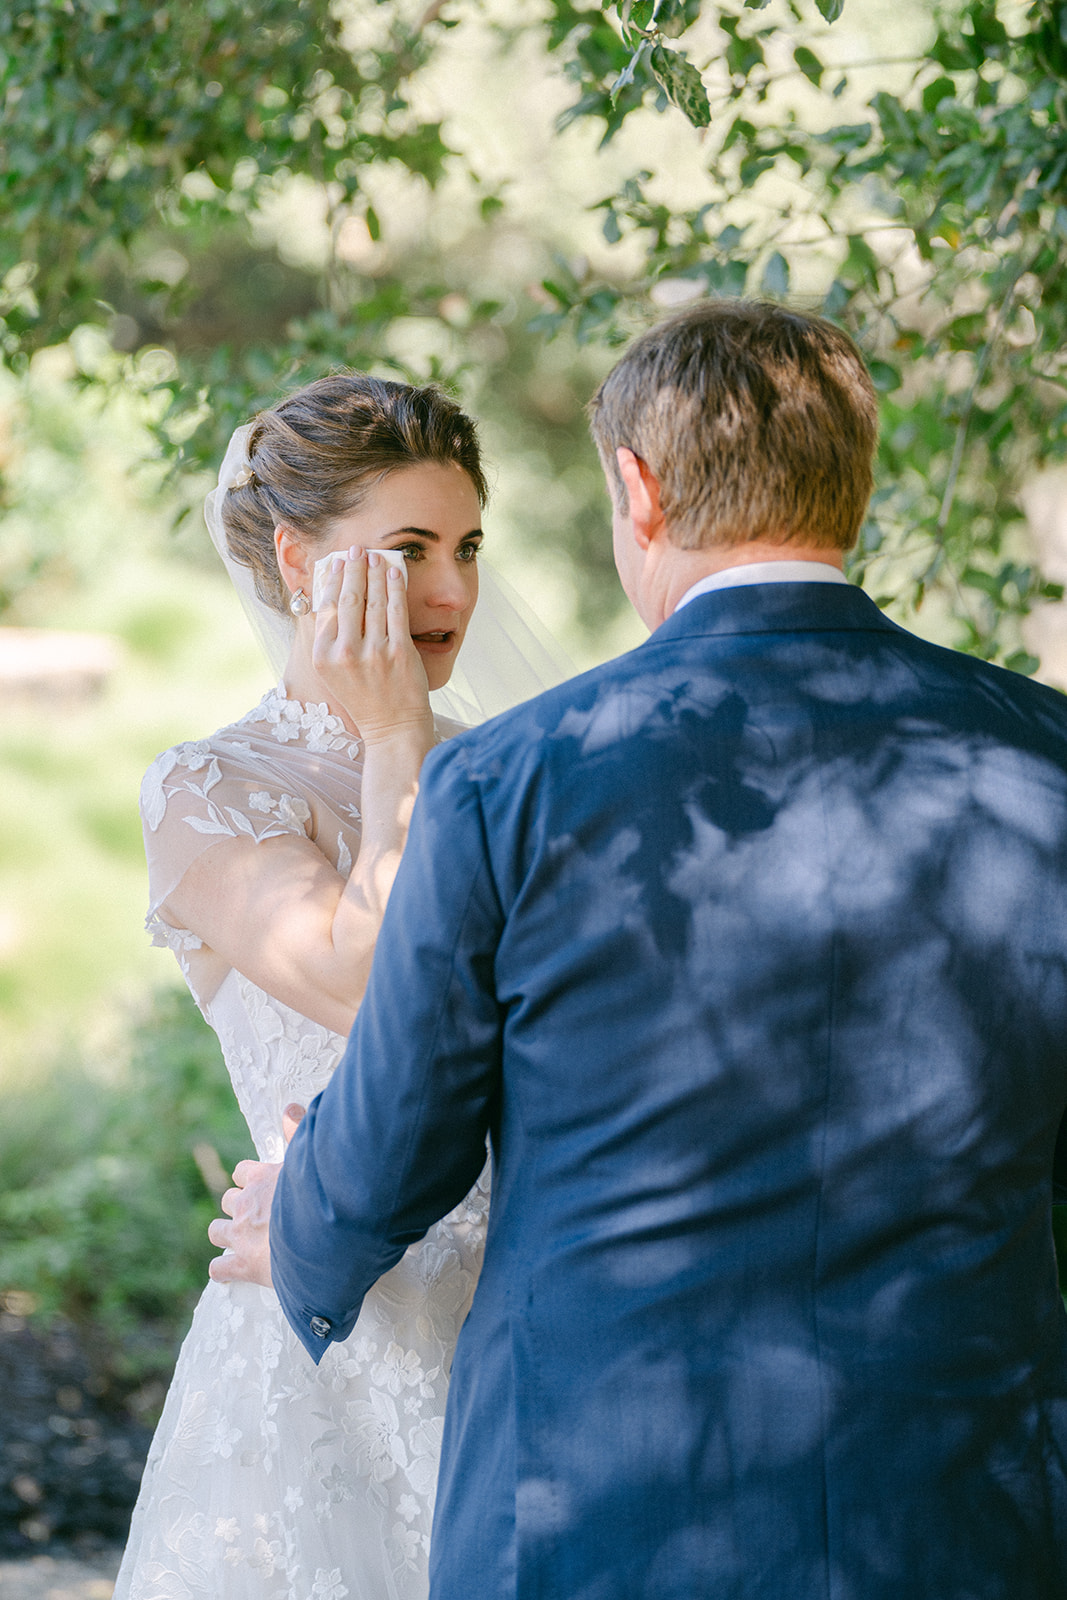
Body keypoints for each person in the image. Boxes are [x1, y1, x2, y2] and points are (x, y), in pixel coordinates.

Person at [213, 302, 1067, 1598]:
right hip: (965, 1498)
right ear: (855, 481)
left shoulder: (510, 779)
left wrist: (306, 1222)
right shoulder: (1039, 752)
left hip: (598, 1505)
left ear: (638, 487)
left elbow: (400, 1140)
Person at [114, 373, 569, 1600]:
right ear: (297, 558)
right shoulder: (207, 790)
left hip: (522, 1326)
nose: (455, 592)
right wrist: (388, 738)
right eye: (410, 549)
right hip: (324, 1333)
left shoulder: (507, 764)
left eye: (469, 547)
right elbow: (375, 984)